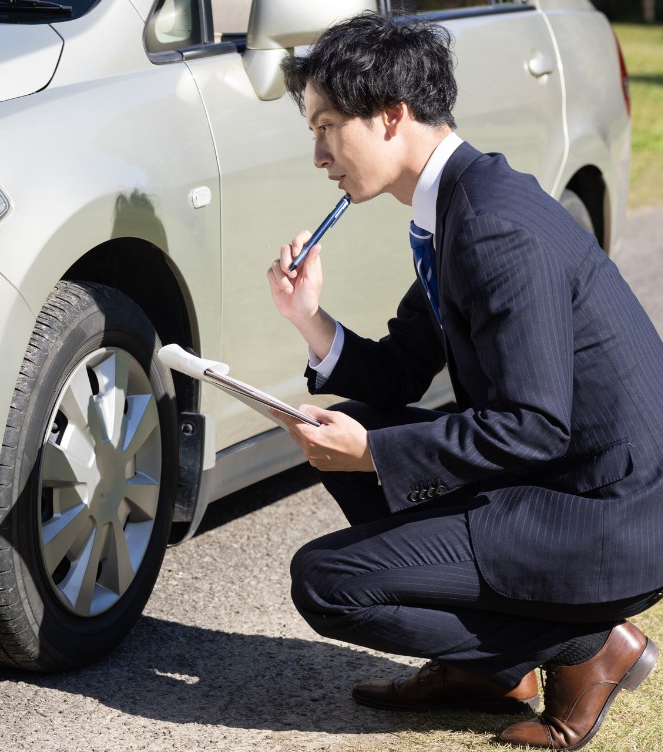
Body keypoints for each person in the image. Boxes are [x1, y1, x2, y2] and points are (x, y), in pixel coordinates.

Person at [265, 11, 663, 750]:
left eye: (327, 127)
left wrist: (374, 453)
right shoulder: (458, 206)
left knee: (325, 581)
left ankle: (585, 645)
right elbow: (399, 369)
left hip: (605, 518)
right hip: (563, 481)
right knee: (354, 422)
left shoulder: (491, 226)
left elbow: (534, 425)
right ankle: (490, 673)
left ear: (391, 116)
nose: (319, 155)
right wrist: (310, 320)